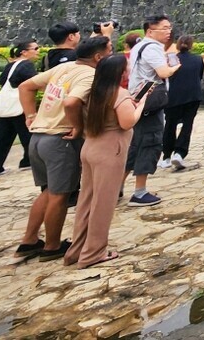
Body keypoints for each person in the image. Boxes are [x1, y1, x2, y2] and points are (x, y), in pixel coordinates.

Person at [15, 34, 109, 261]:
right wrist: (77, 127)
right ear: (98, 57)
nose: (111, 54)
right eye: (109, 50)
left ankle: (29, 240)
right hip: (59, 140)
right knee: (60, 195)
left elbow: (26, 86)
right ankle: (52, 246)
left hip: (38, 137)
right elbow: (71, 102)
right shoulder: (90, 74)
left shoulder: (62, 69)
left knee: (48, 191)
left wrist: (30, 115)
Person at [65, 53, 146, 268]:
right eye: (126, 68)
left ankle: (77, 250)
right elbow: (128, 122)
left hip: (90, 146)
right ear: (120, 73)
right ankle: (93, 253)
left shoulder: (95, 93)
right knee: (103, 204)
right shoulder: (119, 94)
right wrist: (141, 104)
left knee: (87, 201)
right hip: (110, 151)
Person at [124, 14, 179, 207]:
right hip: (150, 104)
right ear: (150, 30)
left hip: (137, 101)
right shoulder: (153, 48)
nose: (168, 31)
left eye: (169, 27)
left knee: (135, 144)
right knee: (150, 143)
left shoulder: (138, 45)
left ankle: (116, 188)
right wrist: (174, 67)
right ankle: (139, 192)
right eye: (164, 28)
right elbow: (163, 73)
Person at [0, 39, 40, 178]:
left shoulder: (11, 65)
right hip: (20, 105)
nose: (37, 51)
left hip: (7, 106)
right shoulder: (26, 65)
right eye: (35, 49)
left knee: (2, 137)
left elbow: (2, 81)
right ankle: (29, 161)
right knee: (28, 134)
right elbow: (33, 83)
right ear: (24, 52)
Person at [159, 35, 204, 170]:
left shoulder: (170, 60)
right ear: (192, 45)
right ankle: (179, 152)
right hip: (193, 95)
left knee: (170, 125)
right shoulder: (197, 59)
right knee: (187, 125)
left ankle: (166, 156)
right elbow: (200, 75)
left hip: (174, 96)